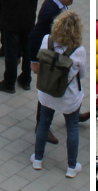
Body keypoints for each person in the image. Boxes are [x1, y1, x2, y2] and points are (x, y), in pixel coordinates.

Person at [32, 11, 86, 178]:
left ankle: (38, 159)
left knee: (43, 123)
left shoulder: (47, 40)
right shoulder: (79, 50)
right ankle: (71, 167)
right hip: (68, 97)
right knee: (72, 128)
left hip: (47, 92)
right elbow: (81, 74)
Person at [29, 0, 76, 146]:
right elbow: (36, 34)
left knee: (61, 88)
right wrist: (34, 61)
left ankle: (72, 115)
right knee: (49, 89)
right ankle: (42, 125)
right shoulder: (50, 12)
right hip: (49, 59)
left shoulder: (56, 3)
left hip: (55, 57)